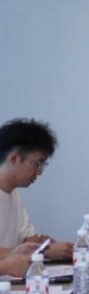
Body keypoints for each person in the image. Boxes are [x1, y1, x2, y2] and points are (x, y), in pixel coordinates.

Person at [0, 118, 75, 277]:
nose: (39, 172)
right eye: (37, 164)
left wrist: (42, 247)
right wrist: (45, 251)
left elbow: (28, 240)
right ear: (13, 158)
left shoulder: (13, 194)